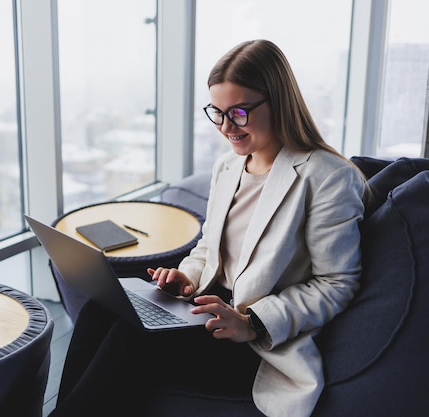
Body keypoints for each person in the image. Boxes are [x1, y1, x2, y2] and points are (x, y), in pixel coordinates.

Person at [49, 39, 365, 417]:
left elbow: (337, 283)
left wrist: (252, 322)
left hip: (255, 341)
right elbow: (207, 249)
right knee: (99, 312)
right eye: (217, 113)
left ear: (278, 102)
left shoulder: (328, 177)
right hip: (204, 309)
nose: (226, 127)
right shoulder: (228, 167)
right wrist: (184, 277)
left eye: (239, 112)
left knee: (128, 336)